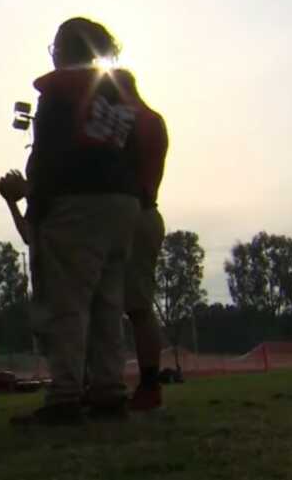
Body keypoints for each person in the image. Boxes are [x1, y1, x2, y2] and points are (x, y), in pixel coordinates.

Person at [11, 17, 143, 427]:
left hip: (75, 202)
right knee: (108, 302)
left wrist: (37, 206)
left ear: (60, 49)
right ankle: (108, 391)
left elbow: (49, 157)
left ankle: (65, 394)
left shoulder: (58, 91)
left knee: (66, 303)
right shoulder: (121, 90)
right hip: (121, 201)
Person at [123, 82, 169, 412]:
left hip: (132, 213)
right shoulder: (153, 120)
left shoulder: (129, 121)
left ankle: (149, 384)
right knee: (138, 305)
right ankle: (149, 382)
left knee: (135, 306)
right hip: (145, 212)